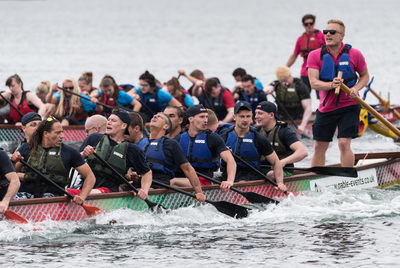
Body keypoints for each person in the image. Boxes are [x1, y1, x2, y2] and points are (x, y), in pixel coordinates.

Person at [307, 19, 369, 167]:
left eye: (332, 32)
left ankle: (347, 178)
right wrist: (330, 85)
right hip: (326, 108)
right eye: (325, 32)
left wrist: (356, 88)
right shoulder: (315, 55)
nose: (328, 35)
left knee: (343, 143)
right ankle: (316, 178)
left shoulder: (355, 54)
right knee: (319, 146)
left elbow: (365, 76)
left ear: (342, 35)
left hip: (350, 106)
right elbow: (313, 83)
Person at [13, 117, 95, 204]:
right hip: (26, 195)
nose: (62, 136)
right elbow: (11, 173)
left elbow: (90, 177)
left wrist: (82, 197)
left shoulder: (70, 152)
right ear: (46, 133)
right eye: (58, 133)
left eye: (62, 132)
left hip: (53, 198)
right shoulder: (26, 148)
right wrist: (14, 161)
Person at [79, 110, 152, 199]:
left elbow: (147, 173)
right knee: (65, 193)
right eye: (108, 120)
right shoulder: (94, 138)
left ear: (123, 126)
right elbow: (74, 160)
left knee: (86, 194)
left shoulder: (132, 149)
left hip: (109, 190)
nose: (108, 122)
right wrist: (83, 154)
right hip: (85, 186)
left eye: (113, 121)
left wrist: (144, 190)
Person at [219, 101, 287, 191]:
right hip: (227, 173)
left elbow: (275, 162)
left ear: (252, 117)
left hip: (250, 174)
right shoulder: (224, 135)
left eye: (248, 116)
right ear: (234, 117)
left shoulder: (258, 138)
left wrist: (280, 183)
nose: (245, 120)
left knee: (241, 183)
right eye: (242, 116)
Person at [140, 112, 206, 202]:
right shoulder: (141, 143)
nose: (154, 116)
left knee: (149, 190)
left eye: (159, 117)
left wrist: (199, 192)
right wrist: (130, 174)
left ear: (166, 126)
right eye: (154, 116)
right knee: (122, 187)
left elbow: (188, 169)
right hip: (141, 178)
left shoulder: (171, 144)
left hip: (160, 181)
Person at [172, 105, 236, 189]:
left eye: (206, 117)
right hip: (182, 177)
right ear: (190, 119)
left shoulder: (213, 138)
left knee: (172, 182)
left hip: (203, 180)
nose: (205, 120)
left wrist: (229, 181)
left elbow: (230, 160)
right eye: (202, 117)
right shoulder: (179, 139)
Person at [254, 101, 308, 178]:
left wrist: (282, 162)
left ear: (271, 115)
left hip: (284, 170)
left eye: (260, 113)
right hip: (261, 169)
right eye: (255, 113)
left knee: (271, 174)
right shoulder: (255, 131)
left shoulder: (284, 131)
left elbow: (303, 152)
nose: (256, 116)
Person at [264, 66, 312, 135]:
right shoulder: (276, 83)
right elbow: (267, 88)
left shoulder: (300, 86)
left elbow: (308, 108)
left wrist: (302, 126)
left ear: (290, 76)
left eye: (285, 80)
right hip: (281, 117)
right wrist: (268, 90)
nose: (284, 83)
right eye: (281, 81)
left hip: (298, 118)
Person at [286, 14, 325, 97]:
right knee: (304, 96)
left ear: (314, 23)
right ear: (303, 25)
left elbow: (329, 51)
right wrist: (285, 68)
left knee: (322, 96)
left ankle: (321, 110)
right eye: (306, 24)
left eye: (311, 23)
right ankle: (306, 110)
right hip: (305, 73)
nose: (309, 26)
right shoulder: (300, 39)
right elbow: (294, 55)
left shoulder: (321, 36)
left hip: (319, 72)